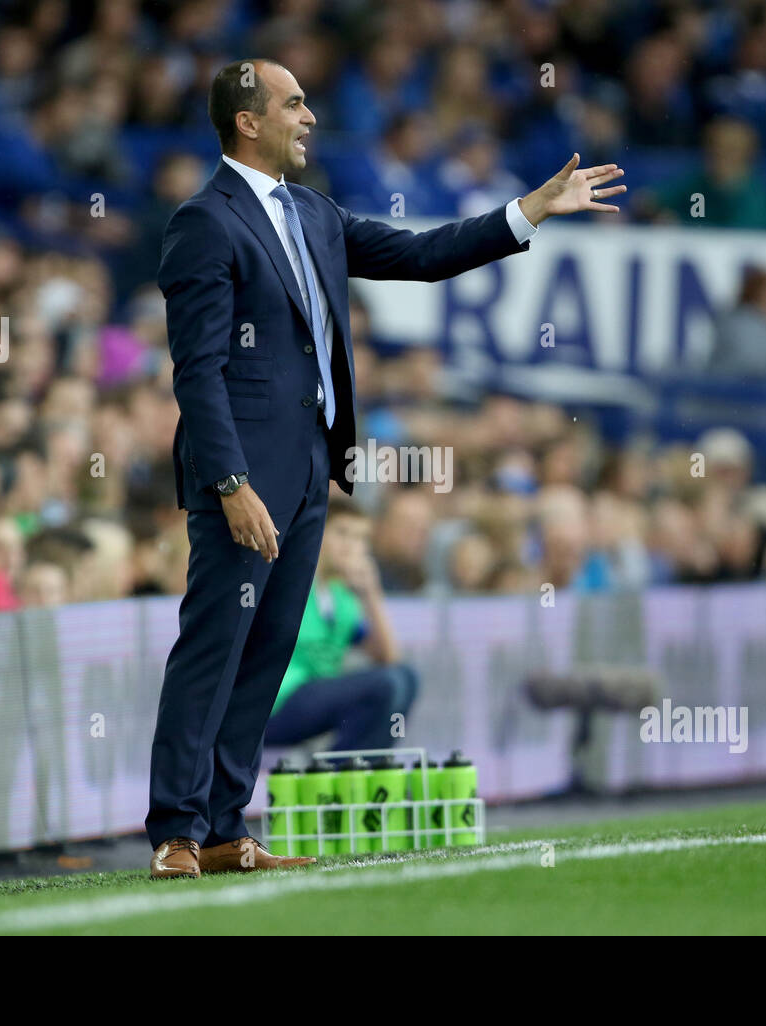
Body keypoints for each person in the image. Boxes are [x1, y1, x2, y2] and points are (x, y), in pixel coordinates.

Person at [146, 57, 625, 879]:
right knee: (213, 647)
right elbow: (198, 371)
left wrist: (528, 212)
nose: (310, 116)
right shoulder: (205, 221)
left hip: (307, 472)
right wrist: (230, 484)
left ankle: (226, 828)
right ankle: (176, 833)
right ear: (247, 120)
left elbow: (422, 254)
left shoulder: (313, 212)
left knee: (264, 653)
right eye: (294, 103)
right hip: (246, 480)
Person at [264, 498, 417, 754]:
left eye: (360, 539)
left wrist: (371, 594)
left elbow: (388, 657)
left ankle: (349, 770)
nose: (352, 546)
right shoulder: (288, 578)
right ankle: (339, 773)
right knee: (386, 684)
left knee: (406, 677)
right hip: (273, 703)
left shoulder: (342, 598)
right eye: (342, 533)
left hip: (315, 697)